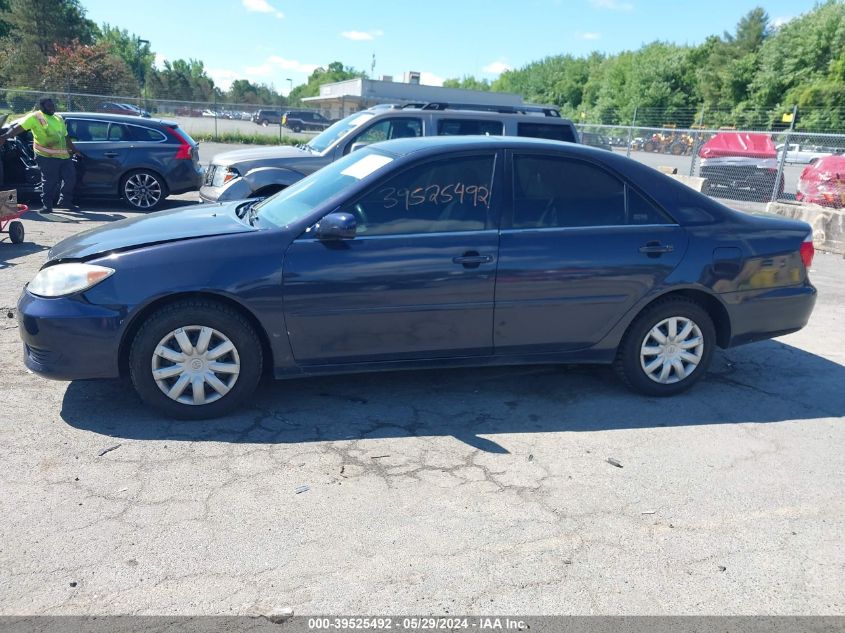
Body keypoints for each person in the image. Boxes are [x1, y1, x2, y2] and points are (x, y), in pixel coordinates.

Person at [0, 97, 82, 214]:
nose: (52, 108)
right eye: (49, 106)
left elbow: (65, 136)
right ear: (42, 107)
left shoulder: (58, 118)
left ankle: (65, 201)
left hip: (63, 155)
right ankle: (47, 205)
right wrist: (5, 137)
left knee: (70, 178)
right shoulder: (35, 117)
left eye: (53, 105)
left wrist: (74, 149)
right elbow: (17, 128)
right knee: (50, 181)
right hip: (46, 156)